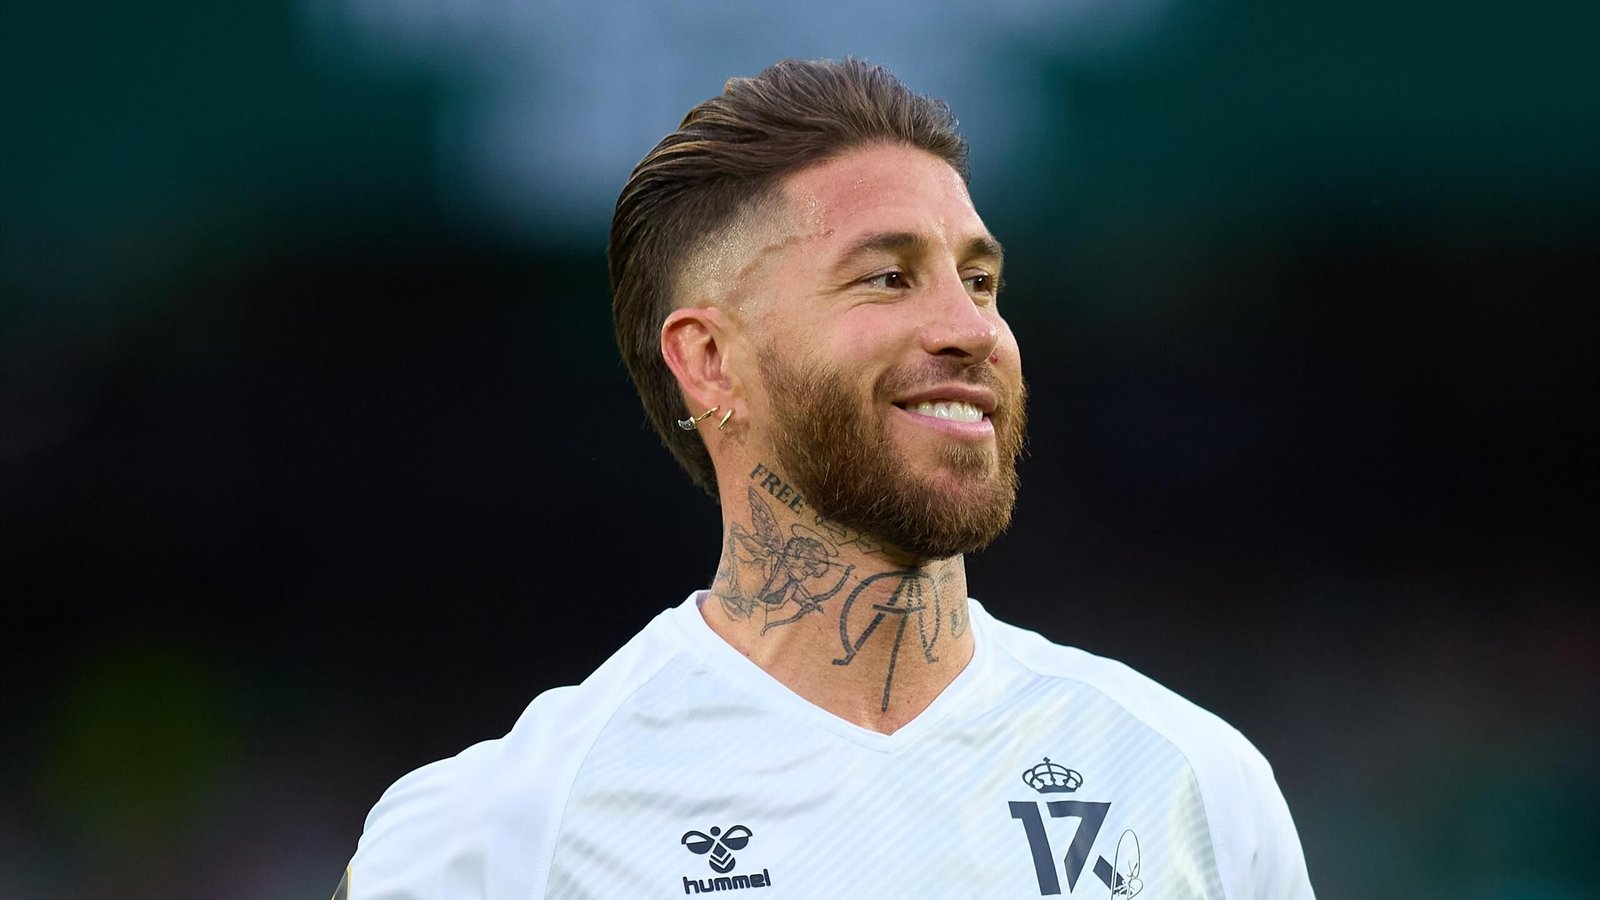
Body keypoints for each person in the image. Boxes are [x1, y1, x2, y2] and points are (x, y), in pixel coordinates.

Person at [337, 57, 1314, 899]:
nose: (971, 329)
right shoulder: (498, 832)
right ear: (710, 361)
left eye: (979, 281)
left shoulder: (1189, 780)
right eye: (887, 277)